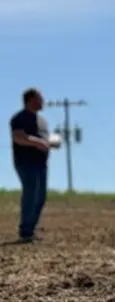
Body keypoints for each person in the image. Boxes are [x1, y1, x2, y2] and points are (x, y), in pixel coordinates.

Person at [10, 88, 58, 244]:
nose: (42, 102)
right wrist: (38, 143)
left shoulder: (42, 121)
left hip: (41, 163)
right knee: (31, 192)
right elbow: (18, 137)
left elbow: (45, 138)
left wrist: (52, 142)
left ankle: (30, 230)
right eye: (40, 99)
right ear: (30, 100)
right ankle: (25, 232)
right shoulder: (19, 118)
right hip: (25, 162)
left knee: (41, 196)